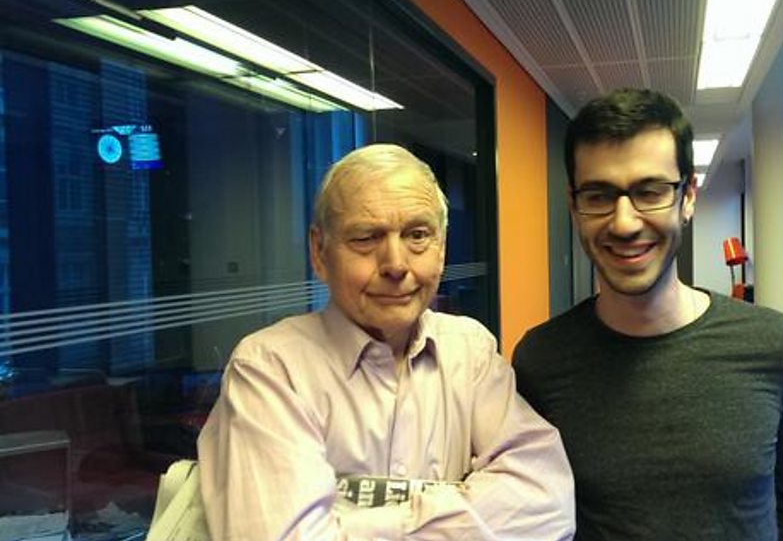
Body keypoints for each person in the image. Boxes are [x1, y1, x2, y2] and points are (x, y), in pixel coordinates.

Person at [198, 144, 575, 540]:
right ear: (319, 252)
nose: (395, 264)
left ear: (442, 249)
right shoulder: (270, 368)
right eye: (365, 237)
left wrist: (349, 525)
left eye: (417, 235)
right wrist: (457, 505)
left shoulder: (470, 351)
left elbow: (548, 503)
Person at [512, 89, 783, 540]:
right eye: (598, 195)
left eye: (650, 191)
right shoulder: (541, 361)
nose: (624, 223)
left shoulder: (779, 347)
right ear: (574, 205)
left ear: (688, 196)